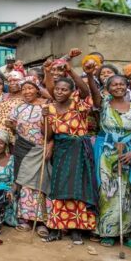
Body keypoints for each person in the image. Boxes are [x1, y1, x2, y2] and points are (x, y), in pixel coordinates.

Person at [42, 60, 98, 245]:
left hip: (79, 151)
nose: (59, 92)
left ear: (71, 92)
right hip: (61, 150)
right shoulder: (49, 108)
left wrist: (71, 71)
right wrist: (45, 120)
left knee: (78, 188)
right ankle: (56, 228)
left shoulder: (77, 104)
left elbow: (86, 92)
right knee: (60, 187)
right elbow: (48, 135)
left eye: (64, 89)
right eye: (57, 89)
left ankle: (76, 229)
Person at [92, 74, 131, 247]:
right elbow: (93, 92)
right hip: (106, 153)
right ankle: (107, 231)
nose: (118, 87)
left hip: (128, 153)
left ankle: (127, 231)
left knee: (127, 192)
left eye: (121, 84)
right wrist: (88, 75)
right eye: (114, 85)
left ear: (126, 86)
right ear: (108, 88)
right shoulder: (103, 105)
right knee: (107, 191)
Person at [8, 80, 52, 236]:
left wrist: (50, 145)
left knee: (40, 184)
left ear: (37, 90)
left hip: (40, 149)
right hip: (23, 148)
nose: (26, 92)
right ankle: (25, 219)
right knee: (24, 182)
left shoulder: (46, 105)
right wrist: (12, 126)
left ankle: (41, 222)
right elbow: (12, 124)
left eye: (30, 88)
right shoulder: (19, 107)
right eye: (24, 89)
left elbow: (52, 131)